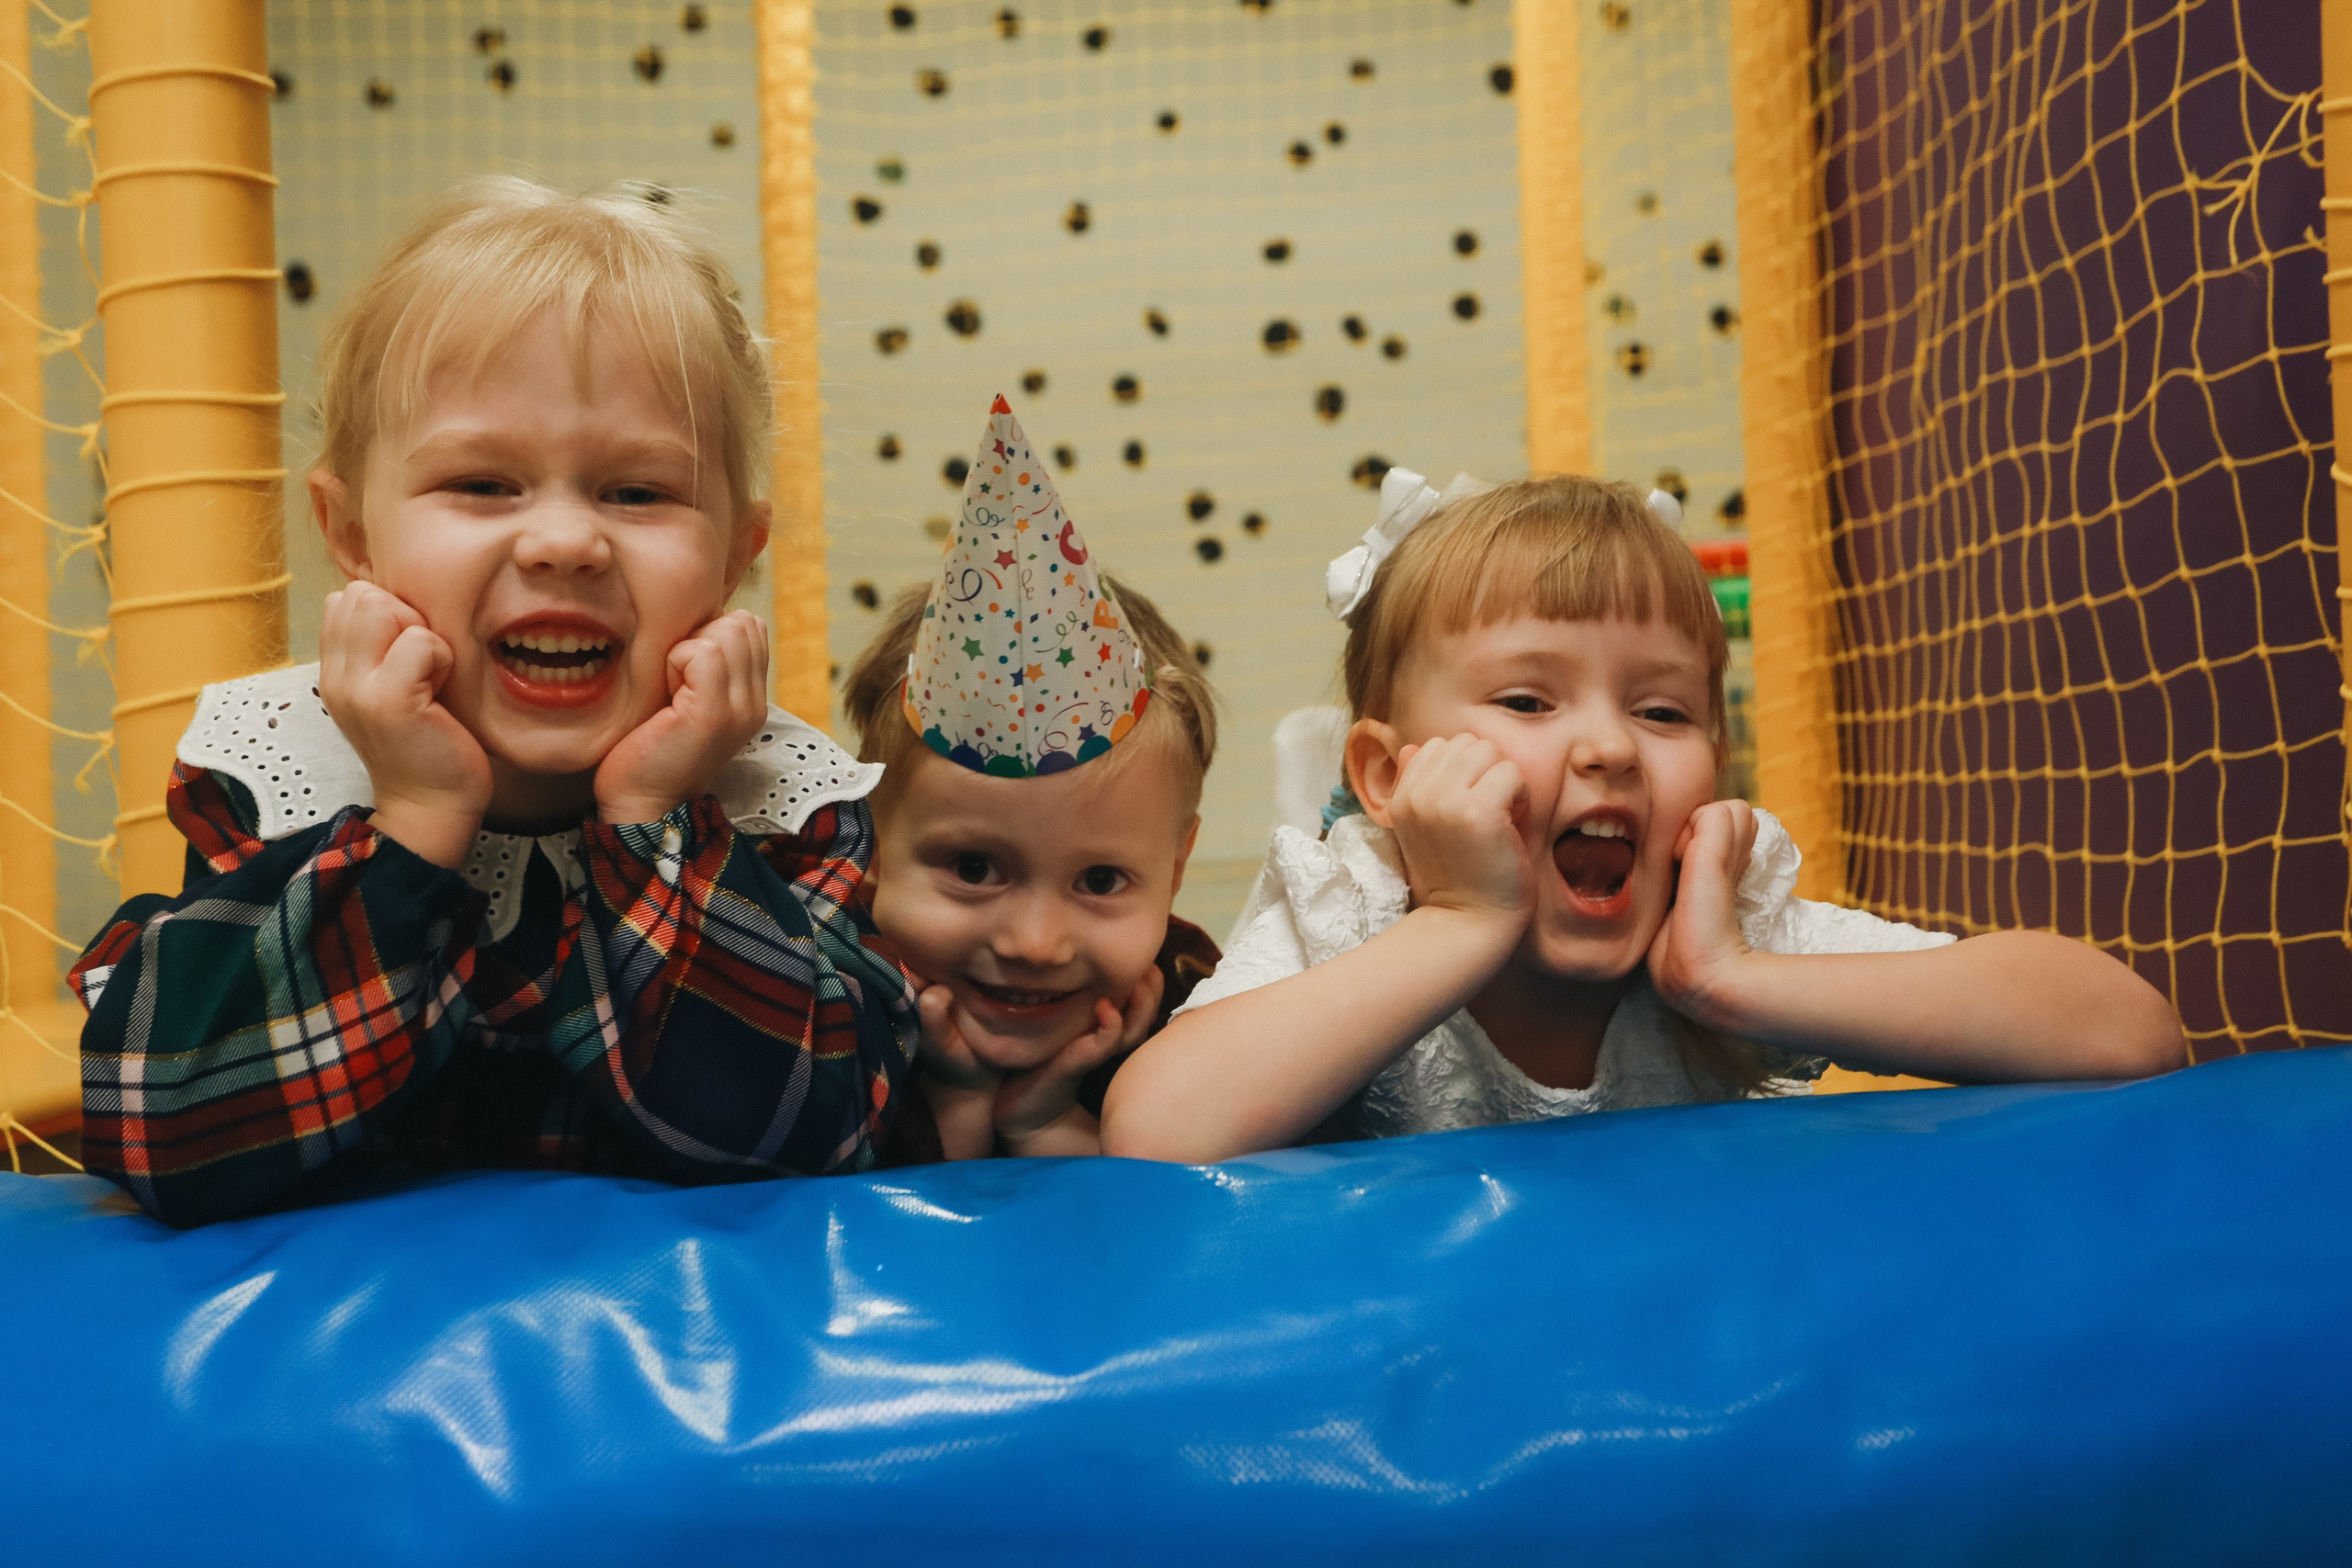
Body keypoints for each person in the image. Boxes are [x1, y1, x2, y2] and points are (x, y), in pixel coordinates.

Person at [70, 177, 920, 1225]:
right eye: (482, 484)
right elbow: (165, 1135)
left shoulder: (784, 804)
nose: (564, 541)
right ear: (351, 536)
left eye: (637, 492)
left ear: (736, 557)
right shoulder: (280, 767)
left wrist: (659, 817)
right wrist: (413, 826)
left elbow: (815, 1139)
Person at [1101, 471, 2185, 1162]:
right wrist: (1458, 925)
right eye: (1527, 700)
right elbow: (1158, 1133)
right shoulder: (1358, 906)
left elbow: (2129, 1036)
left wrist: (1732, 983)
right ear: (1386, 779)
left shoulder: (1714, 918)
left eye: (1662, 709)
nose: (1611, 746)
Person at [842, 397, 1220, 1162]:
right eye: (975, 869)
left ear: (1175, 872)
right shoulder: (817, 1005)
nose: (1035, 943)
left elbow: (1173, 1243)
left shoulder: (1196, 1012)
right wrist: (958, 1100)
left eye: (1102, 880)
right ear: (867, 841)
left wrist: (1047, 1121)